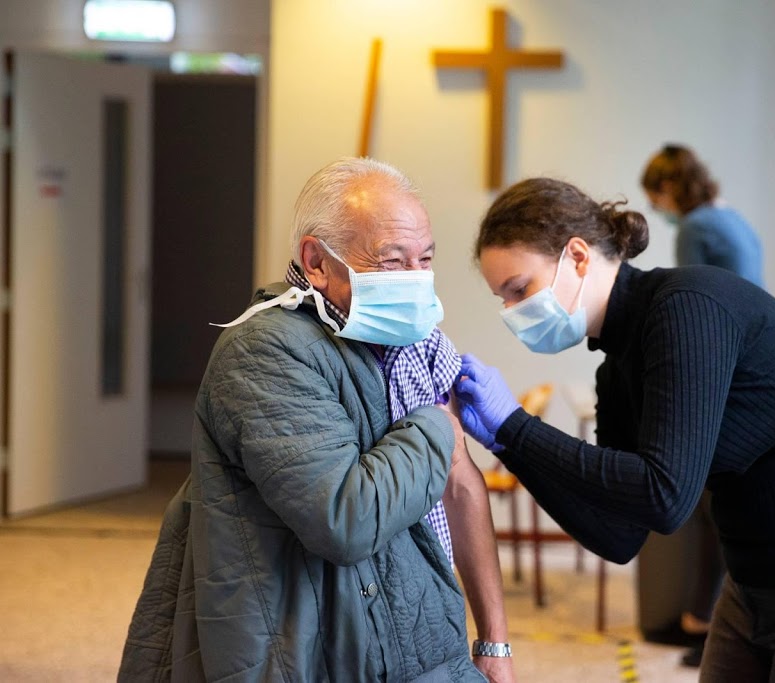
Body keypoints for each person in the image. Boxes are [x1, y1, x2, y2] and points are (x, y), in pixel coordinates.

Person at [453, 177, 775, 682]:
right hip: (758, 583)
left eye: (519, 290)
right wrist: (508, 443)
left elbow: (664, 493)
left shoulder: (686, 306)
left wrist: (516, 426)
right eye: (502, 299)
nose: (512, 313)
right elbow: (620, 534)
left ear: (577, 256)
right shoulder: (616, 365)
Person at [119, 158, 515, 682]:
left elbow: (461, 485)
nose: (417, 282)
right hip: (317, 649)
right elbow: (345, 518)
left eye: (425, 259)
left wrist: (495, 639)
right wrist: (438, 427)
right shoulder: (263, 352)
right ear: (316, 262)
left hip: (419, 635)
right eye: (392, 262)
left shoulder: (421, 342)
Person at [641, 144, 765, 665]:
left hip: (726, 371)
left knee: (713, 510)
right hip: (751, 357)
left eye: (655, 196)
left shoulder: (694, 229)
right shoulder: (731, 218)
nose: (657, 207)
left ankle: (706, 621)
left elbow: (694, 306)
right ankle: (709, 616)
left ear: (669, 189)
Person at [641, 144, 764, 286]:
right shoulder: (731, 215)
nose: (657, 210)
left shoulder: (692, 227)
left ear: (668, 188)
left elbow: (689, 292)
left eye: (655, 202)